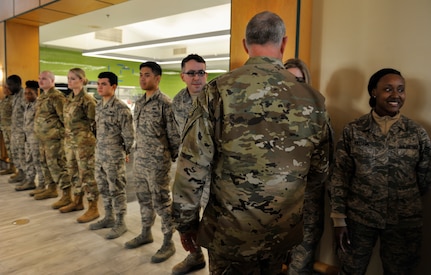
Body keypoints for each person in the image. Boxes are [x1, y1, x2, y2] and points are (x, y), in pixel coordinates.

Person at [172, 11, 332, 274]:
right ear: (283, 43)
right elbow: (319, 171)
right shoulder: (313, 99)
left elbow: (192, 167)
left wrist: (186, 223)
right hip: (282, 230)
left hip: (231, 233)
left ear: (245, 45)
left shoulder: (217, 91)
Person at [329, 68, 431, 275]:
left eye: (401, 90)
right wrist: (338, 219)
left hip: (403, 222)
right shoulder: (354, 130)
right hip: (359, 220)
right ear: (374, 92)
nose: (396, 95)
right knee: (350, 270)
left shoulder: (417, 133)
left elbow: (424, 177)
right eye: (387, 89)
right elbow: (340, 176)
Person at [124, 61, 180, 264]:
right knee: (144, 200)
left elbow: (174, 137)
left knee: (162, 203)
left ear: (157, 78)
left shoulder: (166, 103)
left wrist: (168, 159)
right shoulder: (139, 102)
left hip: (157, 163)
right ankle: (146, 232)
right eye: (140, 74)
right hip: (140, 161)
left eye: (146, 75)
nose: (142, 78)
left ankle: (168, 242)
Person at [283, 57, 327, 273]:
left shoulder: (318, 115)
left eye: (299, 79)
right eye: (288, 78)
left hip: (306, 203)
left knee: (299, 266)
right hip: (275, 206)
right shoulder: (267, 116)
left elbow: (324, 164)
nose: (293, 84)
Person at [171, 54, 208, 275]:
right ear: (183, 76)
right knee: (185, 217)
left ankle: (218, 264)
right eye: (191, 73)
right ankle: (195, 256)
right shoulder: (177, 101)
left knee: (214, 219)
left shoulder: (217, 98)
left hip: (213, 171)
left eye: (201, 72)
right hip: (188, 170)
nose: (197, 78)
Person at [89, 72, 135, 239]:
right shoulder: (99, 106)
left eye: (103, 84)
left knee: (116, 189)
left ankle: (120, 222)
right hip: (100, 155)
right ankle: (109, 217)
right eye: (98, 84)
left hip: (114, 157)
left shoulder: (121, 109)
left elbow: (130, 136)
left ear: (113, 87)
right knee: (103, 188)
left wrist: (125, 152)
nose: (99, 87)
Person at [53, 68, 100, 223]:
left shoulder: (87, 100)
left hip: (84, 145)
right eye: (68, 78)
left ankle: (93, 207)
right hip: (70, 144)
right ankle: (77, 201)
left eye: (73, 78)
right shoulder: (68, 99)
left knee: (87, 175)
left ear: (82, 80)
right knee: (73, 173)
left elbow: (96, 124)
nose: (70, 81)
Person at [33, 71, 70, 201]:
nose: (40, 81)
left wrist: (59, 134)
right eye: (39, 78)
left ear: (52, 81)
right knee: (45, 164)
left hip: (54, 140)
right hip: (43, 139)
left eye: (44, 79)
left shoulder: (57, 97)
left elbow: (64, 119)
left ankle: (66, 195)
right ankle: (51, 189)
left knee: (57, 165)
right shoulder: (42, 96)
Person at [15, 81, 45, 192]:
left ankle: (42, 185)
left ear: (36, 92)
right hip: (28, 138)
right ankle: (30, 181)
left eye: (30, 93)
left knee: (38, 162)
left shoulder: (39, 105)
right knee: (29, 160)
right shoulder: (28, 105)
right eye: (26, 93)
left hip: (36, 139)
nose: (27, 96)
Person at [6, 75, 27, 184]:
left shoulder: (24, 96)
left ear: (18, 84)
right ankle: (20, 172)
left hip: (22, 132)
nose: (8, 87)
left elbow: (28, 113)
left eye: (10, 84)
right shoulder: (15, 96)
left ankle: (27, 177)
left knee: (23, 155)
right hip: (15, 131)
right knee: (16, 153)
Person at [0, 84, 15, 176]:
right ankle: (11, 167)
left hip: (11, 128)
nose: (4, 89)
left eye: (6, 87)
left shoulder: (13, 99)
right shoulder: (4, 99)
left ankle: (17, 169)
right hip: (4, 127)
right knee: (9, 149)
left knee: (14, 149)